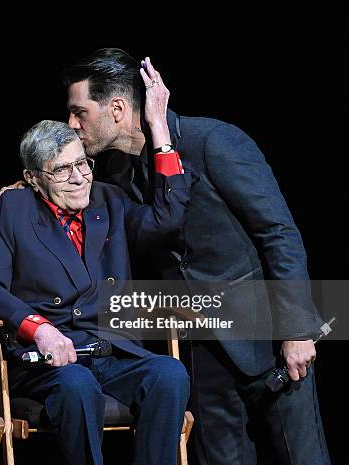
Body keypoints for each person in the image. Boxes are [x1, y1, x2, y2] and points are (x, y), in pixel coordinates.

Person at [54, 48, 330, 465]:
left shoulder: (211, 141)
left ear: (115, 108)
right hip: (201, 353)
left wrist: (297, 329)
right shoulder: (117, 177)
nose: (71, 126)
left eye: (79, 113)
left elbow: (278, 233)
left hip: (267, 339)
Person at [0, 113, 193, 465]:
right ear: (32, 179)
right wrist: (37, 328)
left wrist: (161, 135)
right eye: (61, 170)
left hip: (110, 349)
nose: (78, 179)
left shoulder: (109, 201)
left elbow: (166, 221)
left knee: (169, 374)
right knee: (77, 384)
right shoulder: (14, 208)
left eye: (83, 164)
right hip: (46, 362)